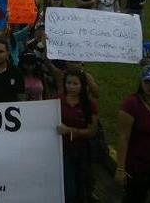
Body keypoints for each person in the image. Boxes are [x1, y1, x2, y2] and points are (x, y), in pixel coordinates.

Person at [115, 66, 150, 202]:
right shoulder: (132, 104)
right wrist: (120, 168)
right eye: (146, 82)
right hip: (138, 166)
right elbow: (123, 137)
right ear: (141, 83)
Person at [57, 69, 98, 203]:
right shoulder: (56, 101)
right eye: (68, 83)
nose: (71, 87)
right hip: (62, 151)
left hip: (82, 151)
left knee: (82, 185)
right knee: (69, 189)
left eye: (75, 84)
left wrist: (70, 130)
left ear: (82, 85)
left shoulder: (90, 105)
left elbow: (92, 131)